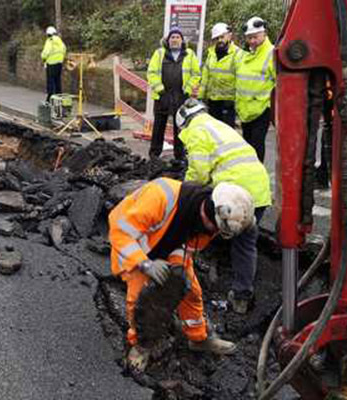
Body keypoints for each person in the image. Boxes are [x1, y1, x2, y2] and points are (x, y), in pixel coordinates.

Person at [109, 178, 255, 371]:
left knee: (190, 291)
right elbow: (120, 231)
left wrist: (176, 270)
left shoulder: (209, 222)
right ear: (212, 212)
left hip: (167, 251)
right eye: (216, 229)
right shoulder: (160, 196)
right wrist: (145, 264)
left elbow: (187, 247)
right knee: (140, 300)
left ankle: (198, 338)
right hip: (134, 251)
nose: (215, 233)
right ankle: (141, 345)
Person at [176, 98, 272, 314]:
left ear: (184, 122)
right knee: (245, 242)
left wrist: (181, 192)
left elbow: (198, 175)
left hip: (234, 194)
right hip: (259, 191)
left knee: (198, 223)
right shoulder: (220, 126)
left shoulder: (196, 131)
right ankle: (241, 296)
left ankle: (190, 279)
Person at [146, 27, 200, 162]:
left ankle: (180, 155)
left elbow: (196, 74)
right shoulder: (159, 54)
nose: (175, 40)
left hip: (181, 95)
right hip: (162, 95)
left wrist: (187, 90)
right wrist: (160, 89)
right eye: (172, 37)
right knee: (159, 126)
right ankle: (154, 154)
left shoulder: (190, 54)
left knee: (180, 127)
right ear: (167, 40)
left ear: (182, 41)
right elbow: (151, 73)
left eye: (177, 37)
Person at [234, 17, 276, 164]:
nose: (252, 41)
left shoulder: (271, 54)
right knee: (247, 147)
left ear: (264, 34)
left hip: (261, 109)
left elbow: (279, 82)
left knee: (257, 146)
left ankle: (257, 177)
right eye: (249, 38)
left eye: (255, 37)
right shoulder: (244, 54)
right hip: (245, 110)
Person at [199, 23, 241, 128]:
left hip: (228, 101)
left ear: (229, 36)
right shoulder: (211, 54)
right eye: (216, 38)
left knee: (227, 132)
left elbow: (241, 79)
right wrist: (200, 97)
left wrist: (238, 101)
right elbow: (205, 77)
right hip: (213, 101)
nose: (219, 40)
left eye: (222, 37)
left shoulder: (237, 53)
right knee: (214, 131)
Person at [41, 26, 66, 102]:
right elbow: (64, 49)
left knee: (50, 81)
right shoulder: (59, 40)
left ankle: (50, 98)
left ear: (48, 34)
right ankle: (59, 96)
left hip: (51, 64)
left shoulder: (50, 41)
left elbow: (46, 52)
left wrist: (43, 58)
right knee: (57, 80)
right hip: (59, 63)